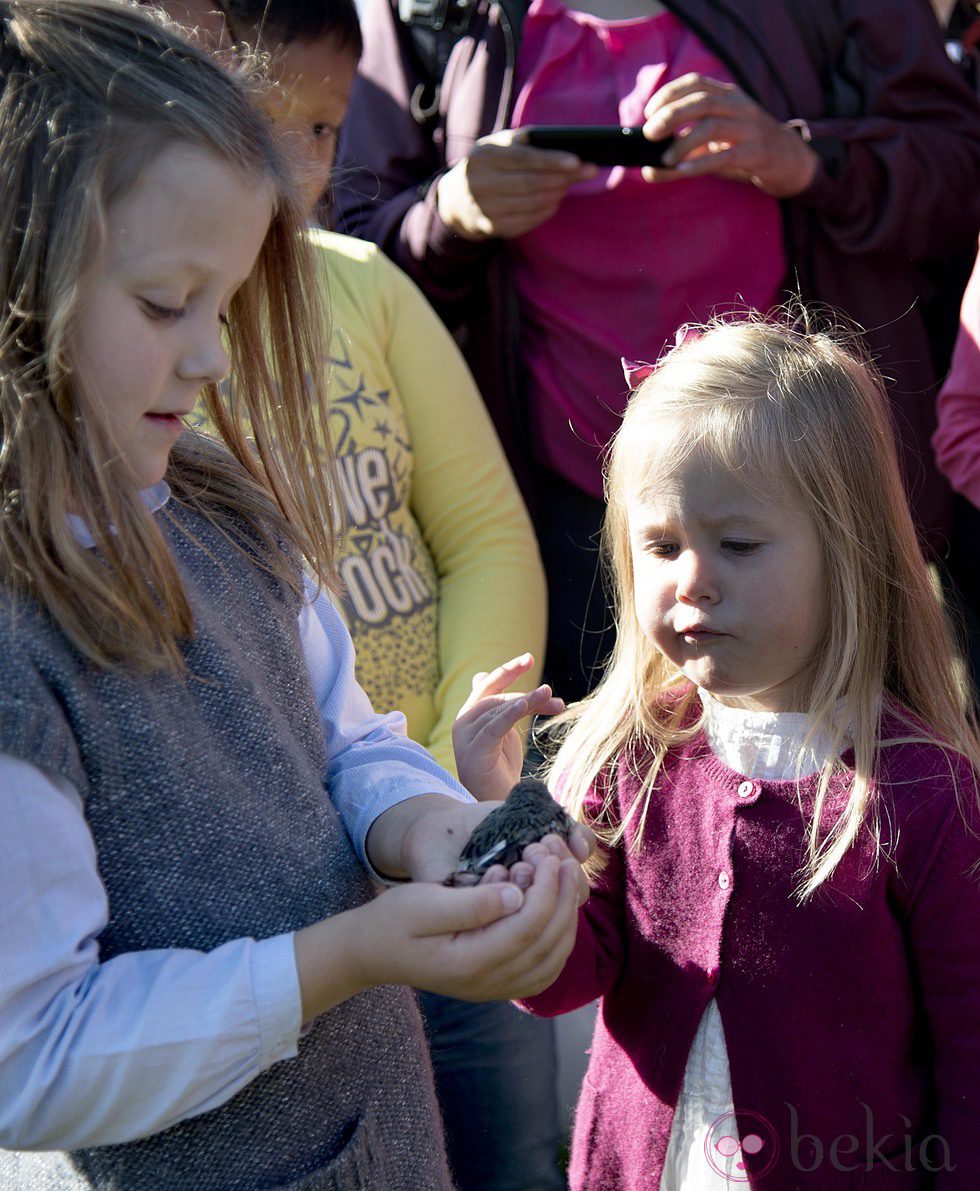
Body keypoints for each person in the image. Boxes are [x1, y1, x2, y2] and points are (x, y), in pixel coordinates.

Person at [0, 2, 590, 1186]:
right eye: (169, 305)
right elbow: (33, 1059)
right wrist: (342, 957)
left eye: (221, 308)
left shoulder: (219, 503)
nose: (215, 359)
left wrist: (441, 831)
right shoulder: (20, 644)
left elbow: (342, 741)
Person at [162, 0, 567, 1181]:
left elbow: (485, 534)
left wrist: (443, 770)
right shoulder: (148, 344)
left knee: (511, 1148)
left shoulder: (364, 285)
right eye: (271, 121)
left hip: (436, 812)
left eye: (329, 129)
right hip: (286, 898)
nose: (308, 165)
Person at [335, 0, 980, 701]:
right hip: (561, 516)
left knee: (841, 780)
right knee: (608, 787)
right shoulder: (426, 13)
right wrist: (450, 211)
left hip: (805, 493)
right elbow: (349, 264)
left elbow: (958, 167)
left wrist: (802, 158)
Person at [465, 317, 980, 1186]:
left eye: (737, 544)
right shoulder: (636, 755)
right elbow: (558, 976)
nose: (692, 578)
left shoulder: (924, 792)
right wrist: (506, 811)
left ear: (846, 551)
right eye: (661, 546)